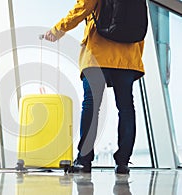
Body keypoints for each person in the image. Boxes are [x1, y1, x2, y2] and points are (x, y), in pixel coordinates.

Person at [44, 0, 145, 174]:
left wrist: (57, 29)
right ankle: (123, 162)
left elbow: (84, 6)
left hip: (98, 52)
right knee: (126, 108)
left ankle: (84, 160)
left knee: (91, 105)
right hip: (128, 56)